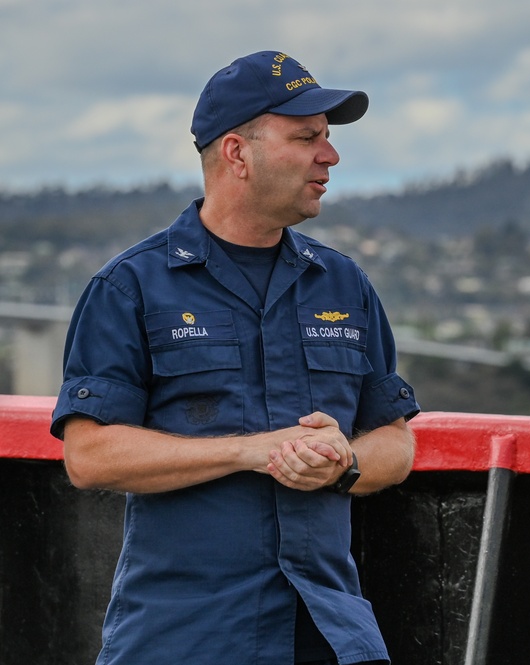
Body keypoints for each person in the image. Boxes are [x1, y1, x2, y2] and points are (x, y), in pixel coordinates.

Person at [50, 50, 419, 665]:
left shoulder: (344, 285)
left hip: (329, 634)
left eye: (327, 139)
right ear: (237, 153)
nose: (329, 156)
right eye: (306, 138)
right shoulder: (130, 288)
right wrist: (251, 450)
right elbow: (88, 456)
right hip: (185, 638)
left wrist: (345, 461)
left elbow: (397, 443)